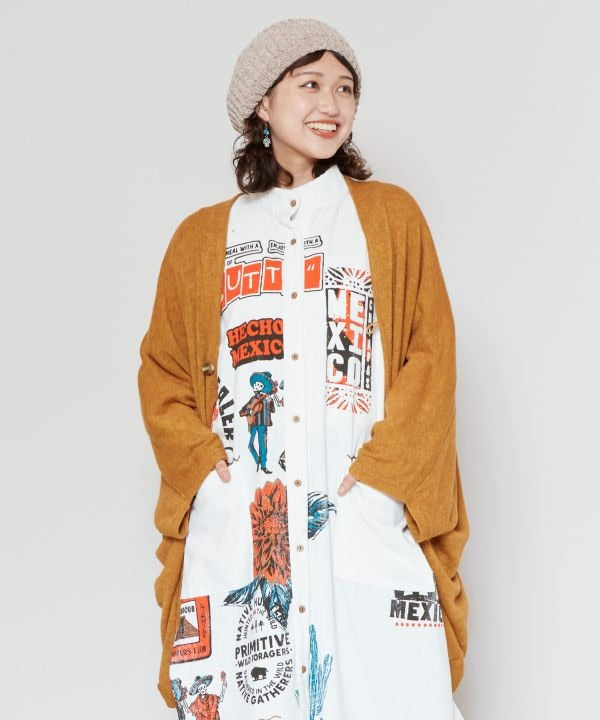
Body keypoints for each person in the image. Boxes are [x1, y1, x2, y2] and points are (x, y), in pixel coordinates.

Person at [138, 17, 469, 719]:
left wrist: (382, 483)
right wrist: (207, 476)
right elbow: (163, 373)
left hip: (362, 518)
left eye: (345, 89)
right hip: (246, 527)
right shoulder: (202, 239)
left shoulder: (390, 218)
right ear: (263, 102)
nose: (332, 104)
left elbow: (430, 357)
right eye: (310, 84)